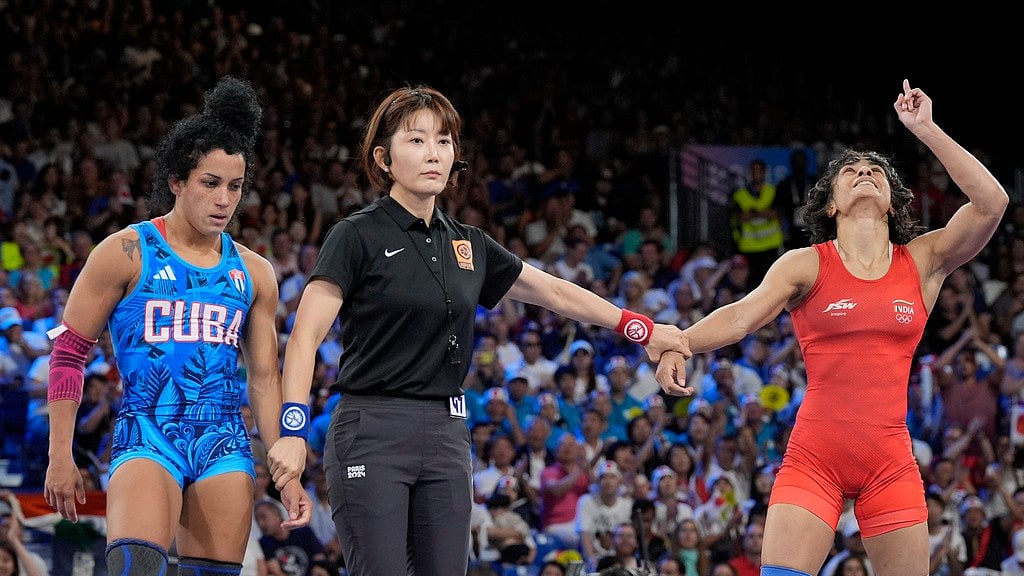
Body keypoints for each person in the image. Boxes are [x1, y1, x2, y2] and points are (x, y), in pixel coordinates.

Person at [265, 84, 692, 576]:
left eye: (444, 141)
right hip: (372, 429)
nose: (434, 153)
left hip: (447, 433)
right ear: (383, 158)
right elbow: (304, 337)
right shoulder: (356, 234)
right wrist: (293, 430)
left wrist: (642, 328)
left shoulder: (469, 244)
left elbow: (555, 291)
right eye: (417, 140)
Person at [675, 80, 1009, 576]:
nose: (864, 173)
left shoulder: (922, 261)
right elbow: (743, 315)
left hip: (889, 461)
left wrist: (926, 129)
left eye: (875, 171)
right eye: (850, 171)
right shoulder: (805, 264)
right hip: (815, 456)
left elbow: (991, 204)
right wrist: (682, 339)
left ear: (893, 203)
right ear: (830, 204)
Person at [42, 76, 312, 576]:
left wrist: (284, 474)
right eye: (210, 184)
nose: (224, 200)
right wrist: (60, 454)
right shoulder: (124, 251)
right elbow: (68, 352)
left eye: (234, 187)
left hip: (225, 439)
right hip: (148, 429)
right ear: (176, 182)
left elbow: (263, 378)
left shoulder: (255, 272)